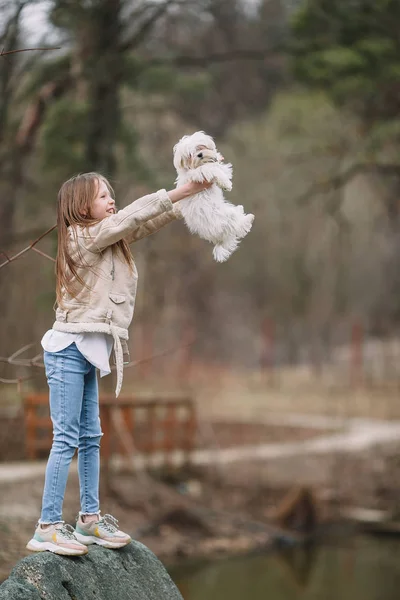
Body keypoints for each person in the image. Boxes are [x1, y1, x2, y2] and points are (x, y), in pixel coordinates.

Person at [26, 172, 211, 555]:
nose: (112, 199)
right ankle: (47, 526)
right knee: (66, 439)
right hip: (66, 351)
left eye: (112, 193)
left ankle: (89, 520)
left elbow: (143, 220)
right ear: (81, 206)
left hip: (88, 352)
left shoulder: (108, 239)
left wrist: (189, 194)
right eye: (103, 195)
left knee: (91, 437)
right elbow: (128, 218)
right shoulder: (81, 237)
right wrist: (178, 191)